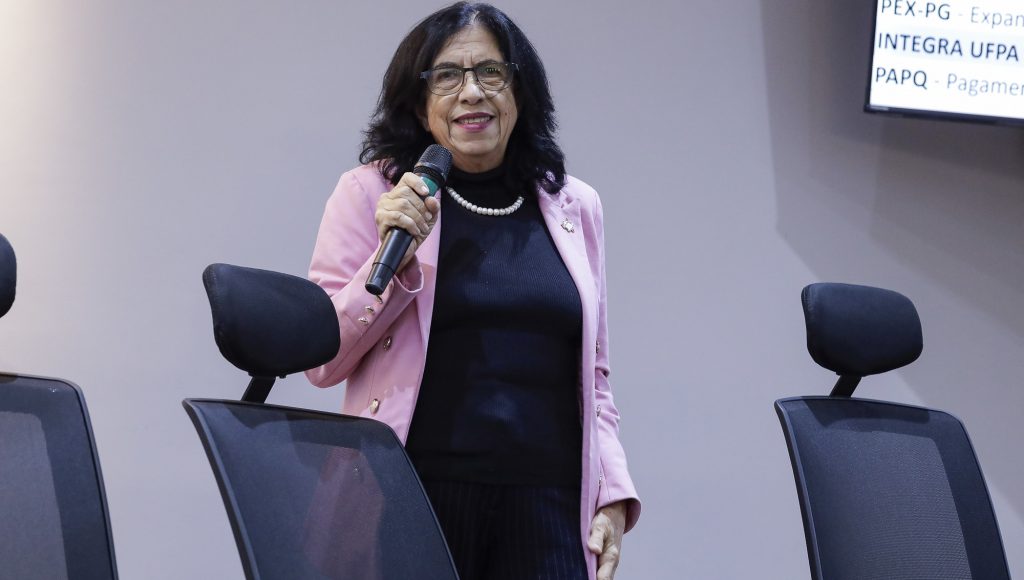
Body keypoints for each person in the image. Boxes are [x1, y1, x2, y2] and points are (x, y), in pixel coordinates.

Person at [305, 3, 639, 579]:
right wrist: (397, 258)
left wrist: (610, 490)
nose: (472, 93)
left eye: (491, 72)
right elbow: (323, 359)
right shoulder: (371, 195)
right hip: (412, 496)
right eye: (447, 76)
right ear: (418, 102)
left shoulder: (573, 206)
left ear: (520, 89)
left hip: (550, 505)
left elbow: (595, 374)